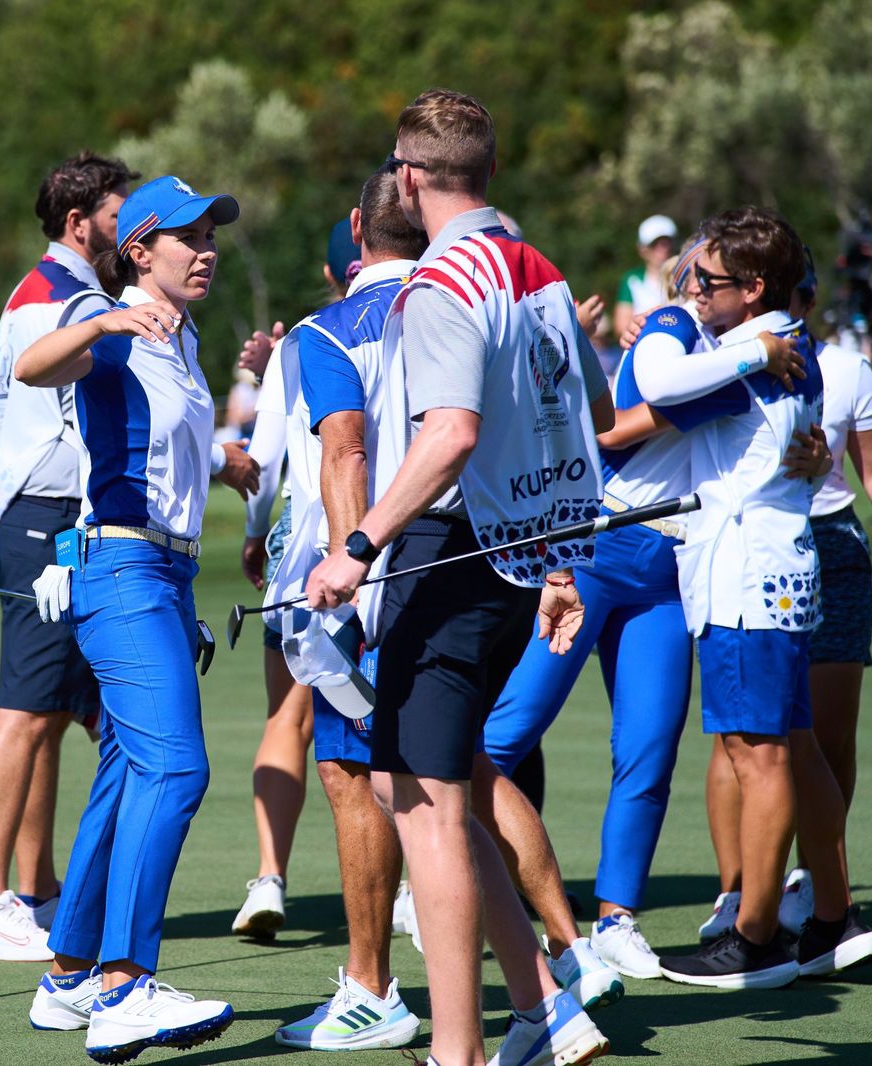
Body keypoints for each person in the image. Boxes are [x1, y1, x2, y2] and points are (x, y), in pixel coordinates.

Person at [308, 90, 612, 1066]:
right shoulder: (540, 270)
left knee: (423, 804)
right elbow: (581, 417)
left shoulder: (442, 281)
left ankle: (456, 1051)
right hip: (516, 564)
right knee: (454, 790)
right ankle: (540, 1014)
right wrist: (561, 562)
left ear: (408, 176)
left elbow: (453, 433)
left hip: (449, 558)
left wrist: (357, 545)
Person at [15, 175, 252, 1061]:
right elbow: (30, 368)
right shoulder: (115, 326)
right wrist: (104, 321)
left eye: (211, 235)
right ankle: (125, 985)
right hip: (120, 570)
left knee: (125, 770)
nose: (207, 250)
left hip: (164, 574)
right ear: (140, 252)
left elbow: (169, 452)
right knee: (177, 770)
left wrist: (228, 463)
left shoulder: (182, 341)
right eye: (187, 237)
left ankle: (70, 971)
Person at [627, 207, 865, 990]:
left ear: (754, 289)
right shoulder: (794, 347)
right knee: (789, 743)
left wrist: (696, 330)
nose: (696, 290)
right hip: (776, 571)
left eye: (710, 281)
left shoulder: (753, 350)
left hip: (744, 580)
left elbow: (655, 387)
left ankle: (755, 936)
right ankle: (830, 915)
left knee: (754, 755)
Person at [703, 266, 872, 973]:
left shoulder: (846, 369)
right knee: (743, 741)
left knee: (821, 738)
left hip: (830, 548)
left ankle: (815, 895)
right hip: (748, 552)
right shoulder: (728, 358)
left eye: (793, 300)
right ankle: (741, 893)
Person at [0, 153, 140, 962]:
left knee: (53, 714)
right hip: (42, 513)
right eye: (116, 214)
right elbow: (41, 387)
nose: (126, 229)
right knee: (25, 709)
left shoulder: (66, 291)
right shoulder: (55, 299)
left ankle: (38, 889)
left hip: (55, 512)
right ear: (78, 222)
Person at [266, 171, 426, 1052]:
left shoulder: (328, 330)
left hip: (382, 571)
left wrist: (347, 570)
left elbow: (345, 451)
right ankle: (563, 958)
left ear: (359, 228)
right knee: (461, 765)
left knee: (356, 774)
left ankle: (372, 988)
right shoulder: (474, 299)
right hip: (483, 566)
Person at [228, 216, 356, 941]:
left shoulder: (302, 338)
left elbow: (265, 459)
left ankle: (270, 877)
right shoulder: (423, 312)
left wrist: (255, 537)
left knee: (289, 717)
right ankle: (402, 887)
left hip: (301, 547)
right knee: (387, 719)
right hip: (392, 542)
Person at [613, 214, 676, 341]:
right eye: (655, 244)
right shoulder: (632, 280)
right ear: (642, 249)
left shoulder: (686, 279)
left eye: (666, 243)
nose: (662, 249)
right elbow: (621, 326)